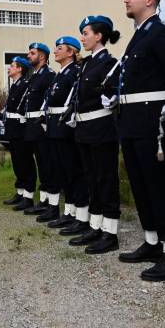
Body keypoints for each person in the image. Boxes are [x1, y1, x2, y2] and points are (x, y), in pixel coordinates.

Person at [114, 0, 165, 282]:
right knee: (141, 185)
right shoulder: (139, 35)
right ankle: (153, 241)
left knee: (161, 186)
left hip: (154, 124)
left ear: (150, 0)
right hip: (132, 121)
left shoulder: (162, 33)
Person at [59, 16, 122, 255]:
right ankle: (95, 226)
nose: (82, 37)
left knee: (106, 180)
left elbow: (116, 90)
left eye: (86, 33)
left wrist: (113, 96)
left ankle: (110, 232)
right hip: (83, 130)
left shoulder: (110, 63)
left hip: (102, 129)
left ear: (99, 36)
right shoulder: (85, 64)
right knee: (91, 179)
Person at [39, 36, 90, 228]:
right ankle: (69, 210)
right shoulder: (60, 74)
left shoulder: (74, 72)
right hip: (54, 126)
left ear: (71, 52)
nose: (55, 51)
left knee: (73, 170)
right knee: (62, 171)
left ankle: (80, 212)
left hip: (65, 127)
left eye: (59, 48)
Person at [22, 43, 57, 216]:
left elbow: (49, 100)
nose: (28, 56)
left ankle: (52, 203)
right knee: (41, 164)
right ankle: (43, 199)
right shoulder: (34, 76)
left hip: (42, 125)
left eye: (32, 53)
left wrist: (43, 122)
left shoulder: (49, 75)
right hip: (32, 126)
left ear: (42, 56)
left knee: (49, 164)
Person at [1, 56, 37, 211]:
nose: (9, 68)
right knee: (17, 162)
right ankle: (20, 192)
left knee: (25, 162)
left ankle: (28, 196)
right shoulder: (15, 85)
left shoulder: (25, 85)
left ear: (20, 69)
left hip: (21, 129)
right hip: (12, 129)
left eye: (12, 66)